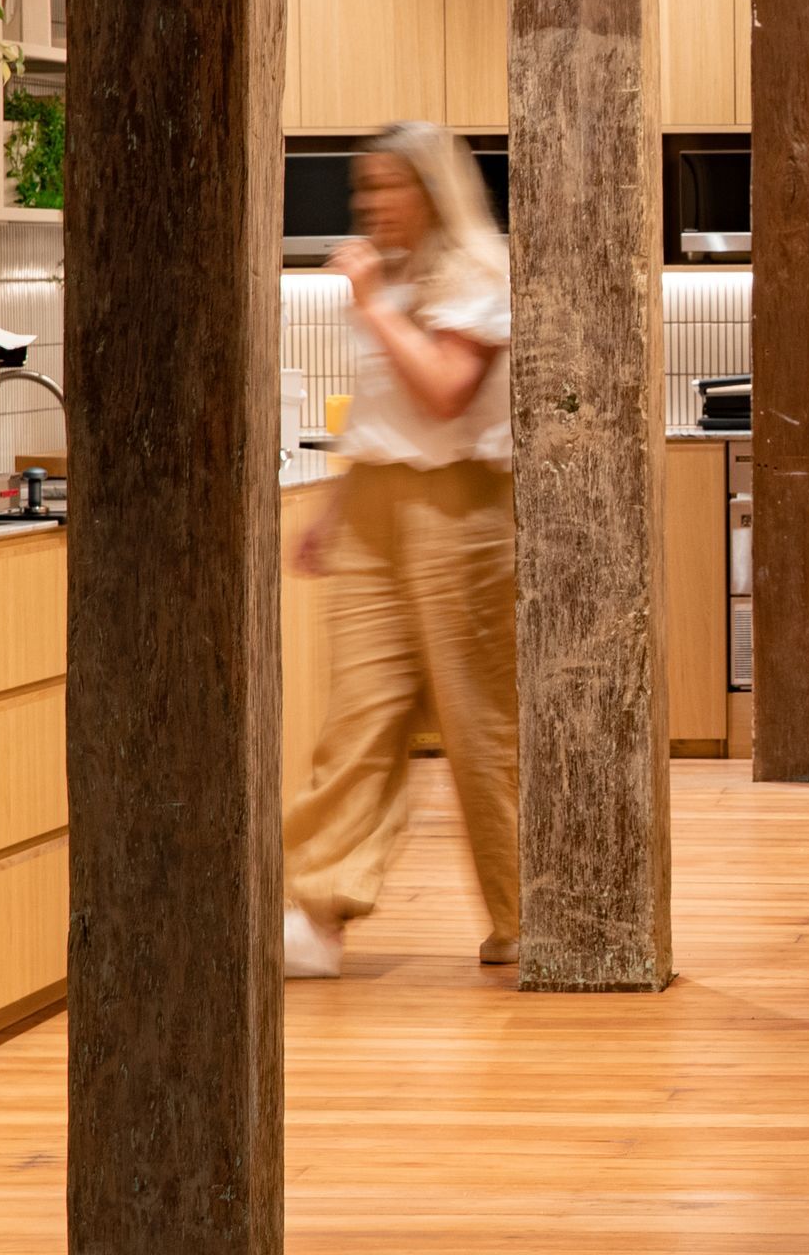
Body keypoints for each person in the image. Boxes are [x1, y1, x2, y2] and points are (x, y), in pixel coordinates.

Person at [282, 123, 518, 979]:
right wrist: (337, 510)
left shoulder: (481, 273)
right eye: (364, 189)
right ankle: (318, 910)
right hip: (379, 502)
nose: (374, 204)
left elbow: (448, 394)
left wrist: (372, 305)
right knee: (358, 715)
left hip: (464, 512)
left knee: (481, 723)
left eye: (390, 186)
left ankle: (525, 913)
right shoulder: (393, 279)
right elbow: (382, 412)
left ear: (434, 189)